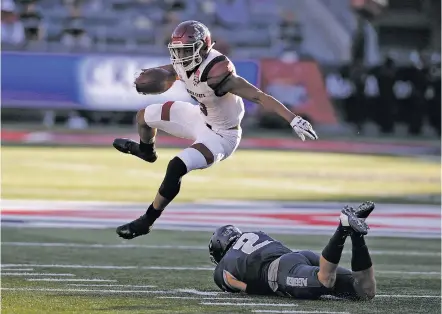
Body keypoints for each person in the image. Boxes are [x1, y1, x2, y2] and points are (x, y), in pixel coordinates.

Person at [113, 20, 318, 240]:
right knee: (144, 116)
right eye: (177, 51)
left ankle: (147, 220)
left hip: (222, 135)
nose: (180, 57)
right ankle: (146, 151)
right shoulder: (183, 61)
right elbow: (169, 72)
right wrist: (149, 78)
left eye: (185, 51)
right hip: (199, 117)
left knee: (176, 166)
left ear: (202, 48)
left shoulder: (218, 72)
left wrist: (293, 119)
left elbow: (259, 96)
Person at [209, 202, 376, 300]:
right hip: (299, 256)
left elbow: (246, 287)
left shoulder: (221, 269)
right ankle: (356, 235)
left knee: (325, 280)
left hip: (280, 271)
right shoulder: (255, 234)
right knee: (365, 290)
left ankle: (343, 227)